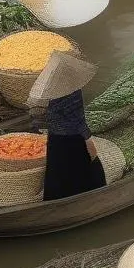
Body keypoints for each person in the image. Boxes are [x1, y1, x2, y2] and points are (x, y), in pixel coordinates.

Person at [29, 52, 106, 199]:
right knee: (82, 172)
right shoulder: (72, 91)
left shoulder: (53, 92)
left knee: (57, 173)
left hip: (55, 139)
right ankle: (89, 199)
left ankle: (56, 202)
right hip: (72, 139)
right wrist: (88, 140)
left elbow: (45, 115)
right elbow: (77, 121)